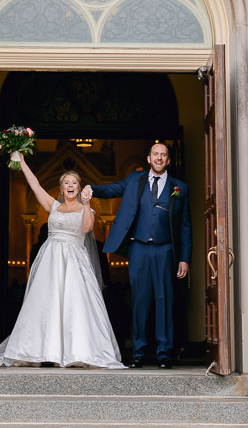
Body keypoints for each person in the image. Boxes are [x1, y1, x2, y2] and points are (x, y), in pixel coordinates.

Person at [0, 154, 125, 369]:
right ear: (61, 187)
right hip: (51, 260)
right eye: (66, 182)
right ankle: (37, 350)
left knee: (74, 304)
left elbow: (86, 229)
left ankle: (75, 352)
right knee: (45, 302)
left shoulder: (88, 209)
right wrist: (22, 163)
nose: (70, 185)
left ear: (79, 188)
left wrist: (86, 205)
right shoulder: (54, 206)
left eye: (74, 183)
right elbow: (36, 185)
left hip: (75, 261)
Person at [82, 141, 191, 369]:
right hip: (139, 248)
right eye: (155, 154)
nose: (159, 158)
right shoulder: (134, 180)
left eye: (163, 155)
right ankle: (138, 353)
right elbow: (112, 189)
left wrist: (185, 258)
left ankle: (164, 353)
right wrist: (91, 188)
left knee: (164, 301)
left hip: (165, 249)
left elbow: (185, 226)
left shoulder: (179, 187)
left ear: (169, 160)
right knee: (140, 301)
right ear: (149, 158)